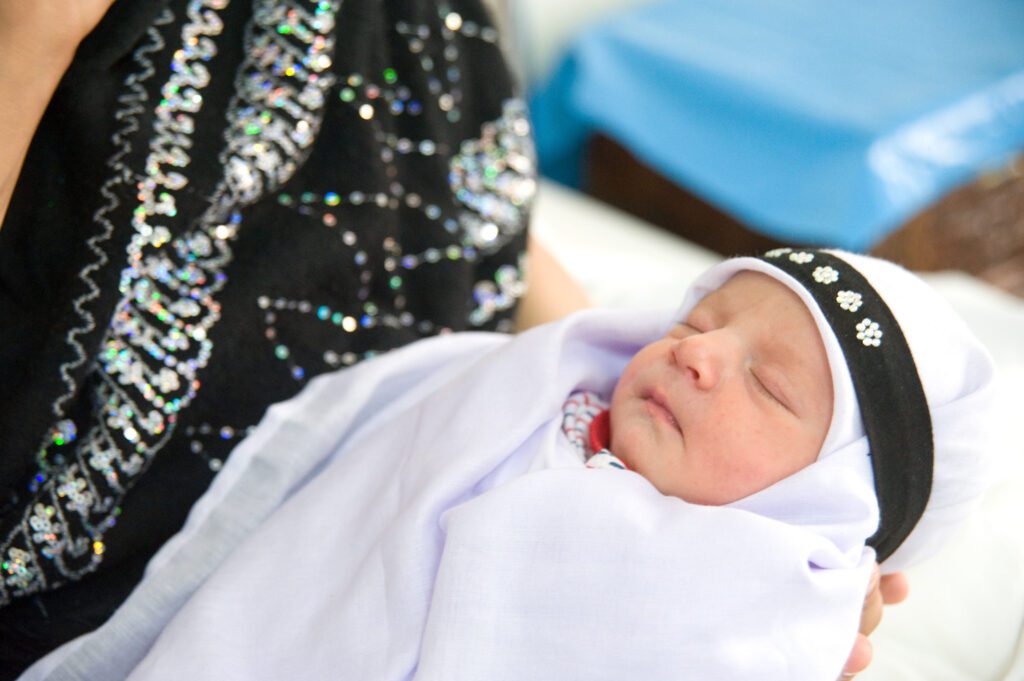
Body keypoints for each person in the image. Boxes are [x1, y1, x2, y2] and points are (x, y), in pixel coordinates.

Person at [0, 0, 898, 677]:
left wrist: (741, 512)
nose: (692, 349)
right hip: (124, 577)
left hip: (437, 456)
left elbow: (473, 218)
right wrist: (27, 45)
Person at [19, 248, 993, 681]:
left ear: (826, 497)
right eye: (700, 321)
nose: (695, 353)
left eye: (771, 387)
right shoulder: (548, 396)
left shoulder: (738, 612)